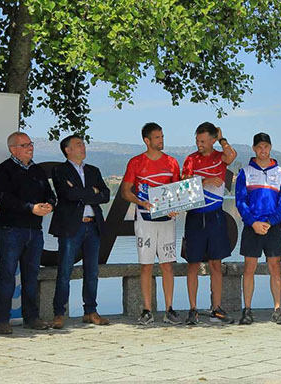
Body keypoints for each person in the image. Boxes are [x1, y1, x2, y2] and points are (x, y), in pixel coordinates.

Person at [0, 132, 56, 334]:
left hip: (34, 231)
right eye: (25, 145)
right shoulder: (4, 170)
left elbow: (50, 194)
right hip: (11, 230)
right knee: (8, 275)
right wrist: (31, 208)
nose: (30, 147)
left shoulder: (37, 170)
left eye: (31, 143)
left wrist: (50, 205)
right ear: (13, 149)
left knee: (31, 275)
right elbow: (4, 199)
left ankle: (32, 317)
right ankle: (3, 320)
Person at [121, 122, 182, 325]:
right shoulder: (136, 162)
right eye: (157, 137)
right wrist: (142, 202)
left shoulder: (172, 162)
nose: (161, 140)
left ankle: (170, 309)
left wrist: (176, 206)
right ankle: (147, 310)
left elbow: (178, 192)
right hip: (145, 220)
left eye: (162, 137)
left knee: (167, 265)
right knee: (146, 265)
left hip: (166, 220)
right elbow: (126, 191)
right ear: (147, 140)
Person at [49, 134, 111, 329]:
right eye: (78, 145)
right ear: (68, 150)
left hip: (93, 225)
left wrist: (83, 193)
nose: (83, 147)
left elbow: (106, 195)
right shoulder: (60, 170)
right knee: (65, 271)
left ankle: (90, 311)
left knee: (92, 271)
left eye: (83, 144)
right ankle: (59, 313)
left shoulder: (93, 170)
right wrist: (91, 192)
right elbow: (67, 194)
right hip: (71, 227)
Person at [181, 122, 237, 324]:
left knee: (215, 263)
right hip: (195, 216)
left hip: (215, 216)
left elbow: (231, 156)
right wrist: (205, 181)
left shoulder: (219, 157)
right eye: (197, 140)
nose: (199, 144)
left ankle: (217, 308)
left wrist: (223, 139)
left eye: (203, 141)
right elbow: (184, 182)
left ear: (213, 140)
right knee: (193, 264)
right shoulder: (191, 159)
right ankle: (193, 309)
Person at [235, 132, 281, 325]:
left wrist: (270, 222)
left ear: (271, 147)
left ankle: (277, 309)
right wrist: (253, 222)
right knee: (249, 267)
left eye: (266, 146)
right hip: (252, 227)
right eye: (259, 147)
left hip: (273, 227)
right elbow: (240, 202)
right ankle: (247, 309)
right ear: (254, 149)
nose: (263, 150)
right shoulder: (245, 173)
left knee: (275, 267)